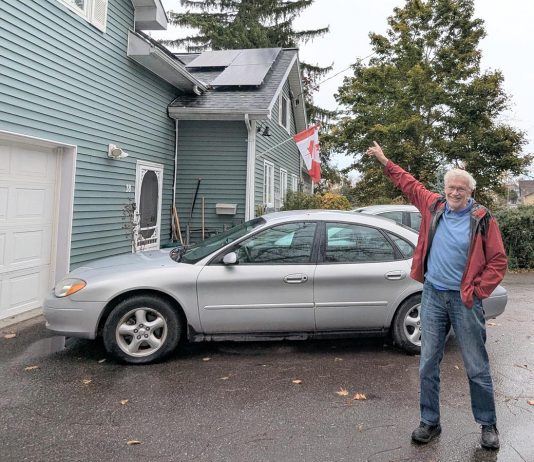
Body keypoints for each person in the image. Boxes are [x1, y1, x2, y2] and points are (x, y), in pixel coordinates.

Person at [366, 141, 507, 450]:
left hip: (464, 301)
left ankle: (488, 424)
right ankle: (430, 421)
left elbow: (498, 261)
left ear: (470, 192)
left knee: (476, 365)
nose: (455, 192)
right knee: (428, 363)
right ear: (444, 189)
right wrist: (384, 159)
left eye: (462, 189)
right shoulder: (433, 206)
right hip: (432, 295)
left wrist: (477, 291)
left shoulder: (482, 218)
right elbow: (408, 183)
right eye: (451, 187)